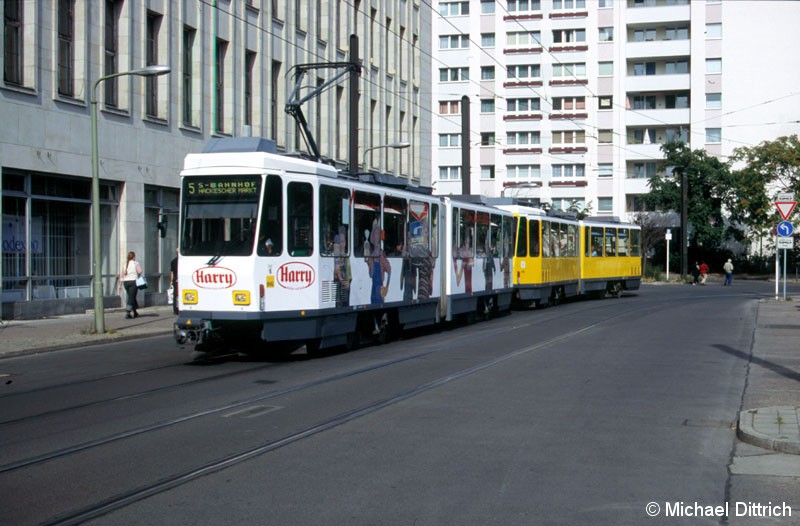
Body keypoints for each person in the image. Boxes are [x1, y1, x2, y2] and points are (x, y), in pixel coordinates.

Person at [120, 251, 141, 319]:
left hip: (126, 282)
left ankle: (135, 312)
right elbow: (140, 271)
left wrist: (120, 285)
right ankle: (128, 312)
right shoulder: (135, 263)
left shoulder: (125, 264)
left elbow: (122, 275)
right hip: (133, 282)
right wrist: (138, 275)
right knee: (131, 297)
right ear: (134, 256)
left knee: (132, 296)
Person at [169, 248, 179, 315]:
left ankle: (175, 309)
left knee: (176, 294)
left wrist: (171, 281)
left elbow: (172, 272)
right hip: (182, 278)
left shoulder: (173, 261)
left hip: (176, 279)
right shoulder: (184, 260)